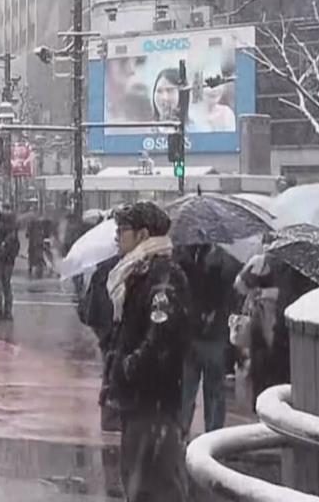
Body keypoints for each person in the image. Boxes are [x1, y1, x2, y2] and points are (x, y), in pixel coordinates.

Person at [104, 201, 192, 502]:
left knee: (154, 487)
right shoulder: (138, 273)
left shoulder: (161, 277)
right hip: (140, 404)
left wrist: (128, 368)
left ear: (142, 235)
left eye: (122, 230)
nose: (117, 236)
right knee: (141, 484)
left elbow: (161, 340)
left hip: (153, 405)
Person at [178, 244, 241, 434]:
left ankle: (212, 433)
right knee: (188, 388)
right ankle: (183, 431)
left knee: (210, 389)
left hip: (212, 334)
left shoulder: (224, 262)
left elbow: (229, 294)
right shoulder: (185, 258)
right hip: (193, 333)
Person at [78, 254, 122, 432]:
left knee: (109, 369)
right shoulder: (119, 271)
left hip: (105, 327)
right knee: (114, 370)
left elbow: (90, 306)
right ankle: (112, 414)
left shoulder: (102, 270)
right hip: (112, 327)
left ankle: (110, 413)